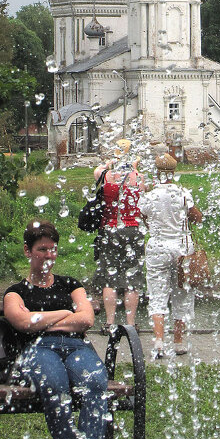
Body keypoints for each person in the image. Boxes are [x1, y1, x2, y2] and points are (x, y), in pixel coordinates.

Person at [4, 219, 109, 439]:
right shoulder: (16, 292)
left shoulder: (71, 285)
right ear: (27, 251)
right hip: (38, 349)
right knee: (54, 385)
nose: (49, 256)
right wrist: (65, 313)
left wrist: (41, 321)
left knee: (96, 382)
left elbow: (86, 319)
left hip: (77, 347)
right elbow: (23, 322)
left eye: (53, 249)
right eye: (42, 249)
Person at [139, 153, 203, 357]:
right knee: (182, 292)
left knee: (157, 293)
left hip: (158, 247)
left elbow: (144, 217)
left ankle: (159, 342)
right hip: (182, 247)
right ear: (174, 172)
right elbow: (197, 217)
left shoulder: (150, 195)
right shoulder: (183, 193)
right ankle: (178, 342)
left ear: (157, 172)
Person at [92, 138, 145, 332]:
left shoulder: (106, 176)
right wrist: (134, 167)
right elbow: (143, 195)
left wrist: (109, 163)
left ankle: (109, 322)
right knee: (132, 280)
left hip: (110, 228)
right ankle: (130, 324)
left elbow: (98, 170)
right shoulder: (138, 177)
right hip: (133, 229)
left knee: (109, 278)